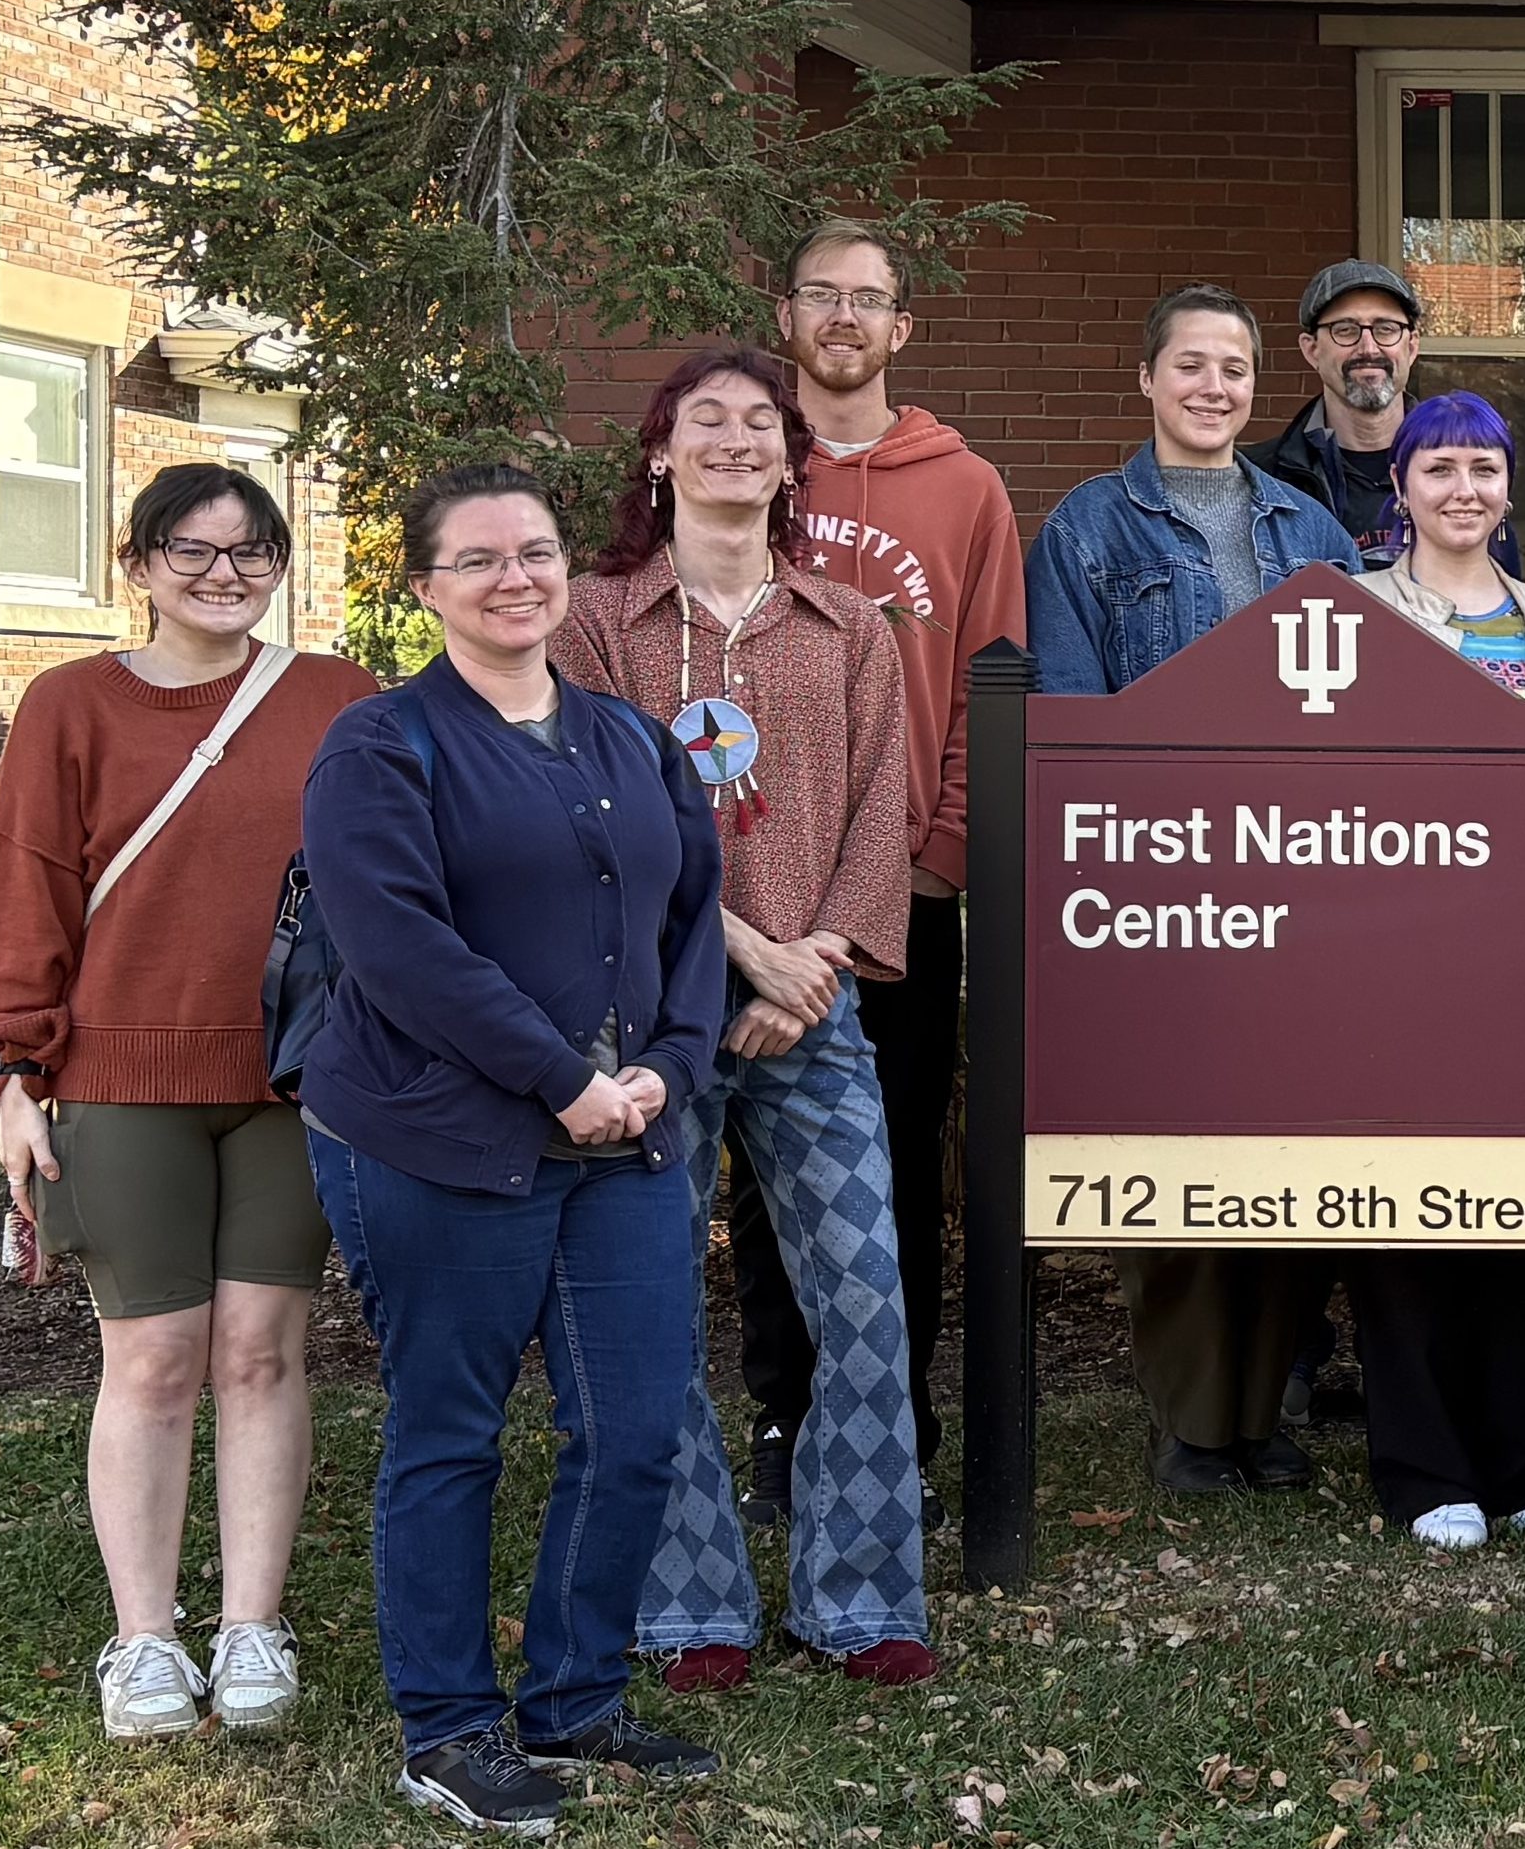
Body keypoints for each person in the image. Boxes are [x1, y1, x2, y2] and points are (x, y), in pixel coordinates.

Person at [299, 462, 728, 1837]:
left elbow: (693, 925)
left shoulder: (630, 742)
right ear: (425, 586)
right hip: (438, 1137)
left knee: (636, 1423)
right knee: (452, 1429)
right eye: (478, 558)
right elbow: (398, 949)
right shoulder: (381, 746)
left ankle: (575, 1698)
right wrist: (560, 1080)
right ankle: (446, 1728)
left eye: (535, 552)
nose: (513, 578)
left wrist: (667, 1066)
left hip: (623, 1138)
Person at [0, 464, 378, 1745]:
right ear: (136, 563)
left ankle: (252, 1622)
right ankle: (143, 1637)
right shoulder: (70, 702)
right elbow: (25, 881)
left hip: (290, 1079)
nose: (222, 574)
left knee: (261, 1352)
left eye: (251, 551)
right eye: (189, 550)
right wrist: (13, 1070)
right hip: (119, 1076)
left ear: (280, 566)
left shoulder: (340, 696)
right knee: (149, 1357)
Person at [559, 346, 935, 1696]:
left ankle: (859, 1597)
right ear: (659, 454)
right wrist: (744, 956)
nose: (735, 439)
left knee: (865, 1299)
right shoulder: (595, 621)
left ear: (790, 460)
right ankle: (686, 1604)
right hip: (646, 1017)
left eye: (760, 422)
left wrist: (814, 961)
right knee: (651, 1298)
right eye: (704, 419)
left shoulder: (850, 625)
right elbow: (586, 813)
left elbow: (886, 805)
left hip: (811, 1011)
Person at [1028, 284, 1365, 1491]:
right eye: (1190, 364)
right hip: (1160, 892)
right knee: (1173, 1171)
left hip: (1297, 887)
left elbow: (1360, 719)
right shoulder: (1085, 528)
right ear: (1148, 378)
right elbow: (1070, 720)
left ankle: (1261, 1411)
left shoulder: (1310, 532)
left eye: (1232, 368)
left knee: (1284, 1161)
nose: (1213, 386)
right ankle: (1190, 1421)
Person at [770, 217, 1024, 1526]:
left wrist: (941, 858)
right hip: (751, 900)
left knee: (895, 1166)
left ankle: (894, 1425)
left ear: (901, 327)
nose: (843, 317)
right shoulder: (739, 464)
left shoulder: (962, 488)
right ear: (785, 316)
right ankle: (783, 1419)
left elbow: (992, 679)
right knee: (761, 1172)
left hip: (902, 896)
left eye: (867, 299)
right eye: (821, 294)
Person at [1350, 393, 1525, 1547]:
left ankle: (1515, 1461)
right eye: (1440, 468)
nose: (1464, 489)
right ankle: (1425, 1469)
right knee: (1403, 1211)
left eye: (1484, 469)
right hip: (1397, 958)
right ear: (1401, 487)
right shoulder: (1354, 617)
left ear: (1509, 490)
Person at [1255, 256, 1525, 579]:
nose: (1368, 348)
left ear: (1411, 346)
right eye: (1345, 330)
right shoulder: (1263, 479)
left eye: (1386, 329)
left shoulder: (1468, 472)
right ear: (1311, 349)